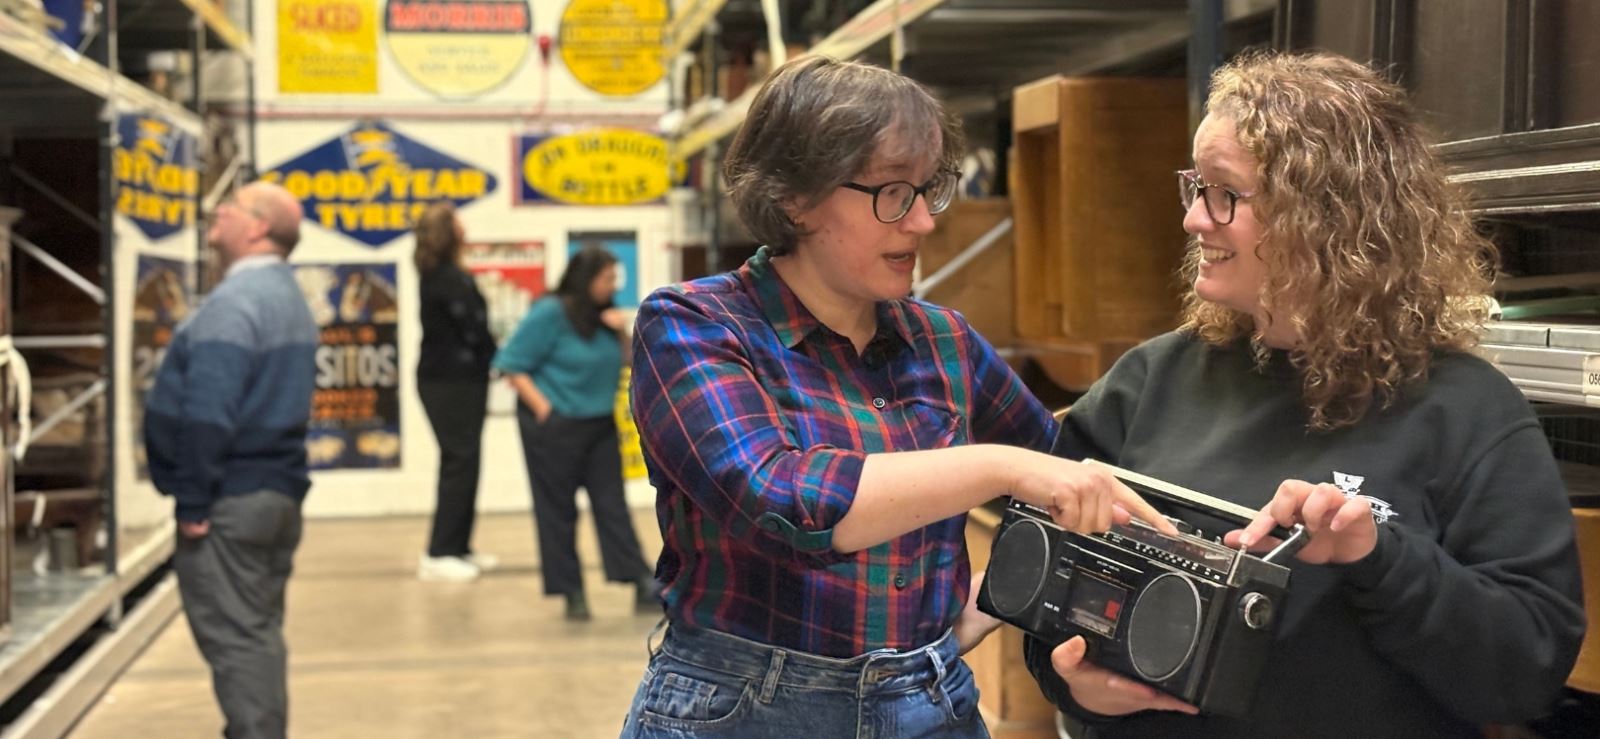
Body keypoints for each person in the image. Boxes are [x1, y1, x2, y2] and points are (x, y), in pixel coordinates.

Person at [1026, 51, 1588, 738]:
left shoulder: (1468, 412)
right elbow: (1051, 605)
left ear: (1323, 216)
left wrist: (1375, 554)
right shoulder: (1146, 384)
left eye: (1224, 192)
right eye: (1195, 187)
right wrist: (1076, 683)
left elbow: (1523, 670)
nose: (1195, 220)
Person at [618, 55, 1174, 739]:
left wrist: (996, 599)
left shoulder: (944, 340)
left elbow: (1065, 478)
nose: (922, 224)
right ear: (794, 195)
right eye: (891, 193)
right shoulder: (694, 325)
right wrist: (998, 467)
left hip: (930, 704)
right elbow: (781, 499)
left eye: (927, 190)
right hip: (743, 709)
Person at [144, 181, 318, 739]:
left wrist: (194, 498)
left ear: (258, 227)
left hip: (230, 498)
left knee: (239, 640)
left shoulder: (237, 302)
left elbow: (209, 411)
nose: (218, 210)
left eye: (234, 206)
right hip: (273, 492)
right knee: (257, 631)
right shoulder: (286, 298)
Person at [493, 245, 656, 621]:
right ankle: (572, 592)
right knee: (558, 512)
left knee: (611, 505)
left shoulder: (602, 317)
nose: (612, 285)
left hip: (598, 424)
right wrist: (545, 410)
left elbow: (632, 361)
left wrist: (621, 332)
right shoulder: (550, 312)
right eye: (607, 279)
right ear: (586, 279)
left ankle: (638, 579)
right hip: (556, 427)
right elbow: (511, 364)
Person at [412, 202, 498, 582]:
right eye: (458, 224)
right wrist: (491, 352)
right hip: (447, 380)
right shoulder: (442, 276)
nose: (466, 229)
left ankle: (459, 546)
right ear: (447, 233)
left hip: (462, 377)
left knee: (467, 460)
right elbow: (473, 326)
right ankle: (439, 551)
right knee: (458, 460)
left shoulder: (449, 274)